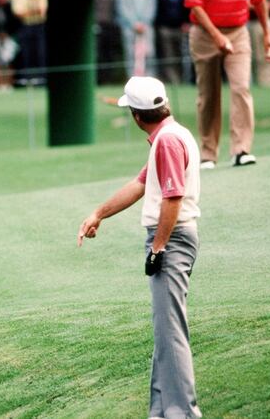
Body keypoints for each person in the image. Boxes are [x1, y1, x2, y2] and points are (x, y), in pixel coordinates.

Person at [78, 76, 202, 419]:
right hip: (174, 239)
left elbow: (173, 197)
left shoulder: (167, 141)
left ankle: (182, 413)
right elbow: (140, 184)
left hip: (172, 241)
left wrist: (158, 247)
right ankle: (161, 411)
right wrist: (99, 213)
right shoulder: (172, 135)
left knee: (171, 331)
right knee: (164, 331)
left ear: (136, 115)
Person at [184, 0, 270, 168]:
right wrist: (217, 37)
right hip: (204, 35)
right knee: (208, 95)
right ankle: (208, 154)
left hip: (238, 32)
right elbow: (195, 7)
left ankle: (241, 150)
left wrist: (267, 34)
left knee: (241, 87)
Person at [117, 0, 158, 77]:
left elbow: (151, 4)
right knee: (131, 54)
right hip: (129, 26)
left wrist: (145, 23)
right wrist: (133, 23)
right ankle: (132, 81)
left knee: (149, 53)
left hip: (146, 25)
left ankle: (149, 80)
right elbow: (123, 6)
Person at [11, 0, 47, 83]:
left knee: (41, 51)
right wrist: (34, 11)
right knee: (25, 52)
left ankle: (42, 78)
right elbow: (18, 12)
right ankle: (26, 78)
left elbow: (43, 11)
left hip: (41, 25)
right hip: (24, 25)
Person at [155, 0, 189, 84]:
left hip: (181, 28)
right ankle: (174, 80)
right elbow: (159, 12)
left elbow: (188, 8)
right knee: (169, 56)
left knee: (182, 56)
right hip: (166, 29)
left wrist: (186, 22)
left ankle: (185, 80)